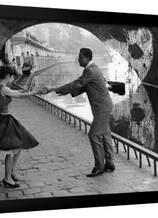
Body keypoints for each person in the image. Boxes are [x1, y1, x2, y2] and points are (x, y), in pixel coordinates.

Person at [44, 48, 115, 177]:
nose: (78, 59)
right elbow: (82, 87)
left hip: (102, 108)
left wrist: (53, 89)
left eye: (80, 57)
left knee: (94, 135)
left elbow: (76, 84)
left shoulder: (90, 70)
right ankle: (109, 162)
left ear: (87, 58)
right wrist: (59, 92)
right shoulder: (93, 69)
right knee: (104, 133)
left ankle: (99, 167)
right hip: (103, 106)